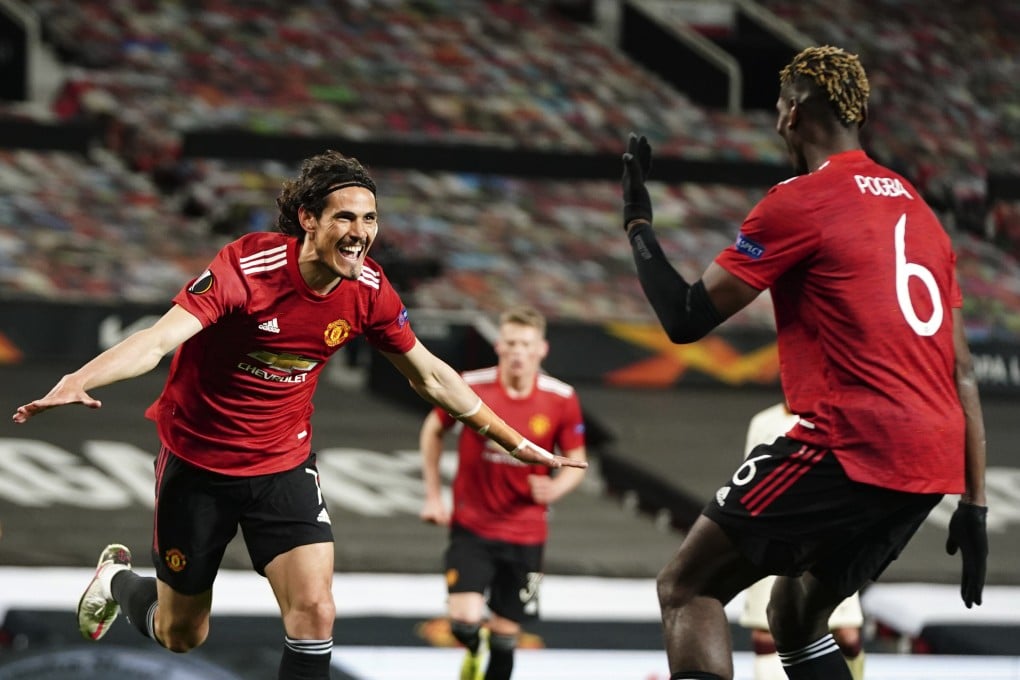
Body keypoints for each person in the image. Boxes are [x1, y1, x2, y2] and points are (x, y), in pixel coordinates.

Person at [11, 150, 586, 680]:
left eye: (370, 219)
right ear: (308, 218)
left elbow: (431, 374)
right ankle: (116, 580)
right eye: (345, 218)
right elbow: (157, 341)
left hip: (283, 465)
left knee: (315, 612)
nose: (361, 233)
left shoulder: (368, 289)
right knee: (181, 634)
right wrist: (79, 379)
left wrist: (511, 440)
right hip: (199, 465)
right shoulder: (247, 267)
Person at [619, 45, 988, 680]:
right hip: (931, 464)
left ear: (791, 114)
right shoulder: (921, 210)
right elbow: (963, 372)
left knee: (688, 588)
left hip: (853, 442)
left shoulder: (801, 200)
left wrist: (638, 226)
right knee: (796, 617)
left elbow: (684, 317)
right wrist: (975, 505)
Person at [419, 305, 587, 680]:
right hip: (472, 525)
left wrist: (555, 487)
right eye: (511, 343)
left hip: (526, 533)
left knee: (507, 636)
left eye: (526, 344)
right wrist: (433, 494)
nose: (518, 352)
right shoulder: (471, 386)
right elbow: (433, 429)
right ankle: (471, 649)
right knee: (463, 620)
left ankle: (487, 659)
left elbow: (577, 460)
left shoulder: (561, 398)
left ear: (541, 349)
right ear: (498, 345)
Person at [739, 403, 864, 680]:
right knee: (766, 628)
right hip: (772, 533)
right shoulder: (764, 420)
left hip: (826, 533)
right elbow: (748, 474)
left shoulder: (836, 415)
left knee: (846, 631)